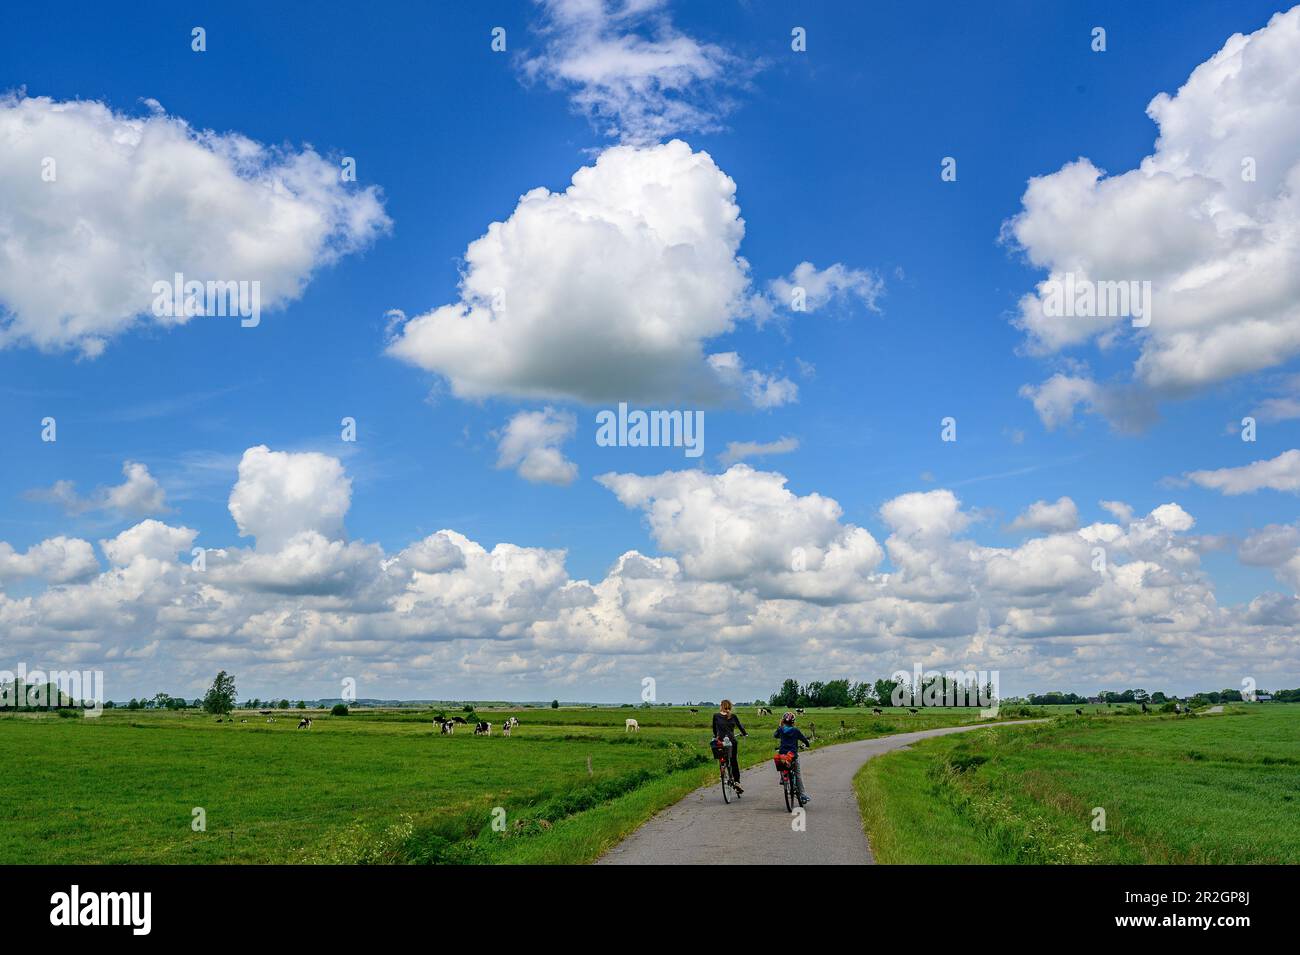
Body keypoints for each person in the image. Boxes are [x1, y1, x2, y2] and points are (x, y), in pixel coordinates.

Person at [774, 711, 812, 805]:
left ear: (783, 721)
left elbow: (775, 735)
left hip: (783, 754)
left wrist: (780, 726)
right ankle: (802, 795)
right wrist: (807, 745)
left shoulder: (781, 729)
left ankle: (783, 777)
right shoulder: (796, 731)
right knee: (798, 774)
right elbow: (804, 740)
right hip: (793, 755)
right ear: (793, 722)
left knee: (781, 762)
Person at [712, 700, 748, 794]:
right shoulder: (733, 716)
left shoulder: (716, 716)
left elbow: (714, 730)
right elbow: (740, 727)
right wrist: (744, 733)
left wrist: (717, 737)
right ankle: (737, 782)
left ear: (721, 706)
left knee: (722, 756)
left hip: (720, 742)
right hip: (732, 741)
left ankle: (723, 770)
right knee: (733, 761)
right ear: (730, 707)